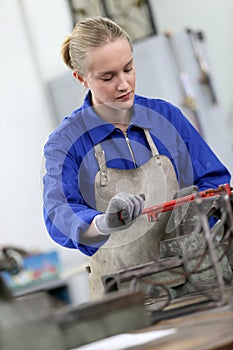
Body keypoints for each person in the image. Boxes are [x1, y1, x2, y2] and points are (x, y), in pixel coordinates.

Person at [43, 16, 231, 299]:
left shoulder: (167, 118)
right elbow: (59, 213)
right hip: (124, 298)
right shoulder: (66, 142)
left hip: (196, 280)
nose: (124, 84)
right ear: (81, 78)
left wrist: (201, 220)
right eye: (108, 77)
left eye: (128, 69)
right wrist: (102, 223)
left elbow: (214, 183)